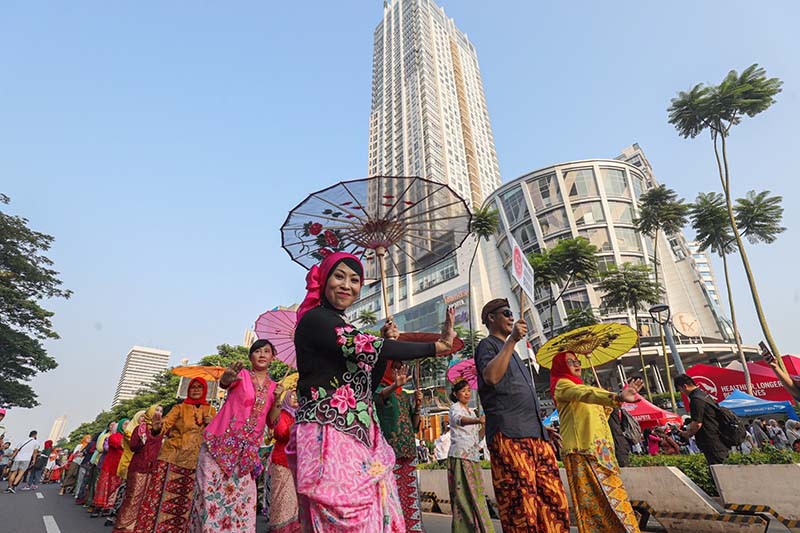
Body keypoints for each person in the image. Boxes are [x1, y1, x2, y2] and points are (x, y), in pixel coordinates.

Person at [290, 251, 457, 531]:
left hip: (361, 436)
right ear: (324, 280)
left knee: (376, 513)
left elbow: (367, 383)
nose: (347, 285)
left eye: (355, 280)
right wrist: (436, 346)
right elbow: (366, 346)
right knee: (345, 517)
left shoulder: (344, 327)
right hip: (328, 434)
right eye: (339, 276)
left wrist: (383, 349)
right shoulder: (315, 321)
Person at [474, 298, 570, 532]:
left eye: (512, 313)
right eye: (505, 313)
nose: (511, 317)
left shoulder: (514, 354)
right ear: (491, 318)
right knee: (521, 506)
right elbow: (491, 377)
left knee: (554, 502)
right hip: (510, 435)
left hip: (536, 435)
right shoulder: (488, 346)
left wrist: (541, 426)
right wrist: (512, 340)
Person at [189, 339, 282, 533]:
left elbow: (272, 423)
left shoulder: (275, 387)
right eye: (257, 351)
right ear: (251, 357)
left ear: (273, 358)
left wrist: (278, 399)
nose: (262, 354)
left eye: (267, 351)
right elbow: (225, 384)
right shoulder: (241, 375)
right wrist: (227, 378)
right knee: (210, 499)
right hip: (219, 446)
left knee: (241, 503)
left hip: (246, 455)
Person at [551, 351, 643, 533]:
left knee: (617, 499)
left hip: (603, 453)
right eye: (570, 362)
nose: (577, 364)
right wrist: (615, 396)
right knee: (593, 506)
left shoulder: (587, 391)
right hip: (581, 451)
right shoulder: (563, 386)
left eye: (577, 361)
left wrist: (612, 402)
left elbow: (601, 415)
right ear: (561, 366)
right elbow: (584, 393)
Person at [138, 378, 216, 532]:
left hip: (198, 462)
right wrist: (157, 428)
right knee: (162, 500)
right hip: (173, 457)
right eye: (193, 387)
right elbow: (165, 424)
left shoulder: (211, 411)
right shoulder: (179, 408)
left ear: (205, 391)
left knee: (189, 505)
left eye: (200, 387)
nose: (195, 390)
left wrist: (212, 423)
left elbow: (218, 435)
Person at [374, 361, 426, 533]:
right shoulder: (377, 389)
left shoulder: (403, 395)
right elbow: (381, 397)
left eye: (399, 367)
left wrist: (418, 406)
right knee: (391, 499)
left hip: (408, 451)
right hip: (389, 454)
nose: (397, 371)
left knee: (410, 497)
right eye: (394, 367)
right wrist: (394, 385)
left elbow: (414, 425)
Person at [447, 379, 494, 533]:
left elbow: (477, 437)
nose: (467, 393)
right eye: (463, 391)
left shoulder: (472, 411)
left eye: (468, 390)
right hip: (460, 456)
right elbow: (459, 421)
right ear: (456, 394)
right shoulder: (455, 408)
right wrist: (477, 420)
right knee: (462, 497)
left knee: (477, 495)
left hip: (472, 457)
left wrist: (483, 425)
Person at [114, 406, 164, 533]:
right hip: (138, 467)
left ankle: (139, 527)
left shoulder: (161, 429)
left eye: (161, 411)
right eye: (156, 410)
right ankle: (123, 527)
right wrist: (143, 440)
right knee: (133, 498)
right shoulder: (140, 428)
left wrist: (157, 431)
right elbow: (133, 446)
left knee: (147, 500)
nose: (159, 413)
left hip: (153, 469)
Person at [674, 374, 730, 465]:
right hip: (718, 438)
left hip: (711, 441)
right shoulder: (704, 395)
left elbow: (697, 423)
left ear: (685, 386)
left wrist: (687, 433)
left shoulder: (696, 399)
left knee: (718, 469)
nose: (682, 392)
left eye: (680, 389)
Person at [266, 386, 300, 533]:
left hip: (298, 464)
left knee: (296, 503)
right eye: (292, 396)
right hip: (282, 463)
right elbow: (280, 434)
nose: (295, 398)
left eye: (297, 395)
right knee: (282, 501)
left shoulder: (300, 414)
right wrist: (296, 424)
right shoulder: (282, 414)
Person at [93, 420, 125, 516]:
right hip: (109, 465)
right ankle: (98, 506)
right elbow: (118, 444)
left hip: (120, 466)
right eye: (125, 424)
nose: (126, 426)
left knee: (115, 487)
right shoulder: (112, 437)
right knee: (104, 485)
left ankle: (108, 507)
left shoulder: (129, 436)